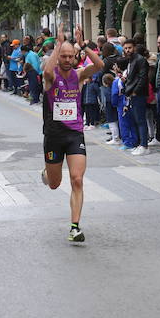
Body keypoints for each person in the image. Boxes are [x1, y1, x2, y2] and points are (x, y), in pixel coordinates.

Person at [41, 24, 104, 243]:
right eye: (64, 56)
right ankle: (48, 172)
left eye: (70, 56)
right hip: (53, 136)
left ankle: (74, 227)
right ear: (59, 57)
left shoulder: (78, 76)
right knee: (54, 184)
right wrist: (59, 44)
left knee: (77, 180)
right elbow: (48, 71)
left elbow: (99, 65)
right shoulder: (50, 77)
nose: (67, 60)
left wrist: (85, 45)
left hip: (75, 134)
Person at [123, 38, 149, 155]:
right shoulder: (131, 60)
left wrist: (135, 91)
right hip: (132, 93)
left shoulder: (140, 60)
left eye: (129, 48)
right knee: (136, 120)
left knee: (140, 120)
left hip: (138, 94)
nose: (128, 50)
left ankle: (144, 145)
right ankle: (140, 144)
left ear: (134, 47)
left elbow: (143, 78)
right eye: (126, 48)